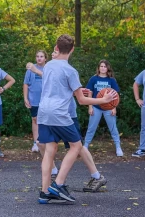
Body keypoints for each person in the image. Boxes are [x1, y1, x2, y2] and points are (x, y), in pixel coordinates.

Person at [36, 34, 117, 204]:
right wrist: (103, 100)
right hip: (59, 113)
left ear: (56, 48)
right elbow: (81, 100)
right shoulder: (71, 71)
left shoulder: (48, 65)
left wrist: (78, 90)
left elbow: (58, 87)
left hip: (44, 111)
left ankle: (44, 193)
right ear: (72, 49)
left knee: (50, 150)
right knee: (76, 145)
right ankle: (58, 184)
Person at [28, 51, 107, 194]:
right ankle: (52, 178)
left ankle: (96, 176)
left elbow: (71, 91)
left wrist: (35, 70)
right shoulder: (51, 68)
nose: (53, 54)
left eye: (55, 52)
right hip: (53, 114)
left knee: (77, 146)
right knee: (44, 144)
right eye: (52, 52)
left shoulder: (62, 68)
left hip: (67, 114)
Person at [83, 60, 123, 157]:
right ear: (98, 68)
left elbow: (115, 95)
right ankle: (85, 147)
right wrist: (90, 106)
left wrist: (114, 107)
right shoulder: (94, 79)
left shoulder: (111, 80)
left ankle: (118, 147)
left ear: (108, 68)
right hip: (96, 107)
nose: (103, 68)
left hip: (109, 107)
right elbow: (90, 93)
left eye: (105, 66)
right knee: (91, 128)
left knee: (113, 128)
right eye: (101, 66)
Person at [23, 50, 47, 153]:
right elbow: (26, 84)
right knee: (35, 120)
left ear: (45, 58)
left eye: (41, 56)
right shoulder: (30, 69)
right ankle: (35, 143)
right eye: (37, 56)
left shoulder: (48, 69)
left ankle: (46, 142)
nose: (39, 58)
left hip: (46, 100)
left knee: (46, 121)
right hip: (34, 99)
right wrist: (25, 98)